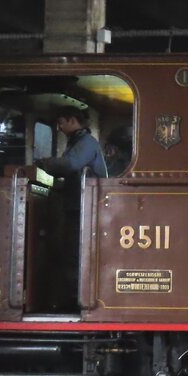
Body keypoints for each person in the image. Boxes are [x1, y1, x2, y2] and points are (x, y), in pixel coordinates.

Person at [35, 107, 108, 310]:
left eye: (61, 122)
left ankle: (75, 302)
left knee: (74, 254)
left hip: (84, 209)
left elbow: (70, 164)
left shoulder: (86, 143)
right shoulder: (78, 142)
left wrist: (42, 164)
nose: (58, 128)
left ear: (73, 120)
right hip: (77, 206)